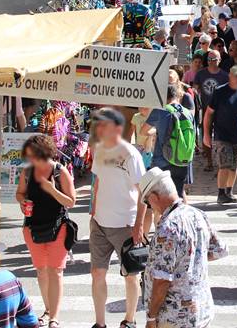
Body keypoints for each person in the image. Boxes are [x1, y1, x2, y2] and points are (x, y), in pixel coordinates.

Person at [140, 170, 228, 328]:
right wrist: (189, 258)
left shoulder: (167, 229)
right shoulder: (197, 214)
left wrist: (151, 318)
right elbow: (218, 250)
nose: (150, 207)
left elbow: (161, 281)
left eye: (147, 202)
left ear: (154, 197)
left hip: (175, 316)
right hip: (201, 309)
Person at [89, 107, 146, 328]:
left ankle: (129, 320)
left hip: (125, 223)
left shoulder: (130, 153)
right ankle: (100, 323)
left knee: (130, 275)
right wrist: (92, 213)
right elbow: (97, 182)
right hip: (100, 223)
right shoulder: (99, 150)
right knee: (97, 273)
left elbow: (144, 190)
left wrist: (139, 224)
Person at [16, 135, 76, 328]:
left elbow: (71, 201)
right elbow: (20, 193)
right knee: (41, 271)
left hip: (58, 227)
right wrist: (23, 202)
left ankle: (54, 317)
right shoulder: (27, 172)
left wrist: (52, 189)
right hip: (33, 228)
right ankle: (48, 309)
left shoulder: (60, 172)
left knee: (55, 271)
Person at [203, 65, 237, 204]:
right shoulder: (220, 92)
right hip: (222, 135)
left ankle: (229, 191)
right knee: (225, 164)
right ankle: (221, 193)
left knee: (234, 165)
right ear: (230, 76)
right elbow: (209, 114)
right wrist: (206, 135)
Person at [142, 84, 195, 198]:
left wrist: (157, 130)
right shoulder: (187, 113)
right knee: (179, 195)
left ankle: (162, 216)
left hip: (162, 161)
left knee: (160, 197)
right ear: (177, 96)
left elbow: (143, 131)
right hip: (182, 160)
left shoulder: (160, 111)